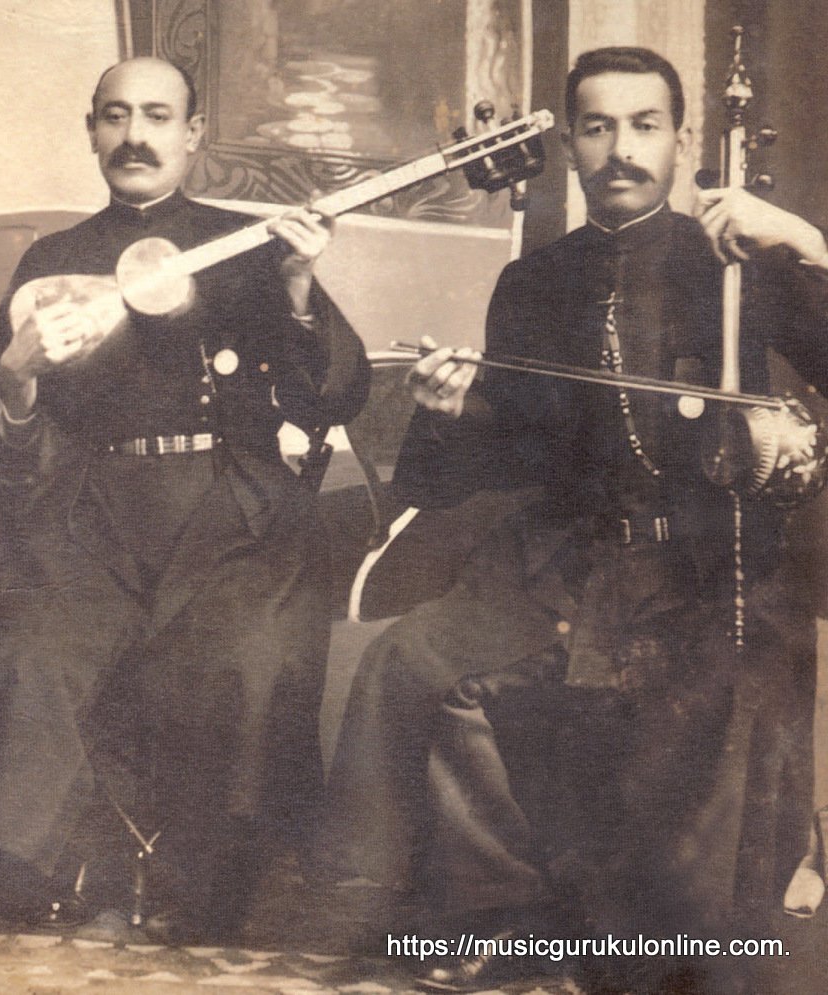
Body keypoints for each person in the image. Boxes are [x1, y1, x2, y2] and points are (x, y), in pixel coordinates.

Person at [321, 47, 828, 993]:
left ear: (681, 142)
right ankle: (496, 918)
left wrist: (802, 241)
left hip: (709, 570)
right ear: (570, 146)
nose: (621, 150)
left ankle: (637, 938)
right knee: (419, 658)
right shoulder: (535, 284)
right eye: (597, 128)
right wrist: (454, 407)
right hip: (568, 558)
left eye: (644, 126)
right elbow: (509, 461)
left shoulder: (742, 260)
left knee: (694, 759)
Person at [0, 56, 369, 943]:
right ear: (91, 131)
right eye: (115, 117)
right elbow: (6, 451)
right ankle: (77, 874)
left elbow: (333, 399)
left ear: (193, 136)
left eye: (157, 116)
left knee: (247, 651)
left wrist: (300, 287)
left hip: (230, 510)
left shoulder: (256, 245)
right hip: (93, 516)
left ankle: (213, 884)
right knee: (39, 643)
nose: (134, 136)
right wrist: (15, 383)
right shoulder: (53, 261)